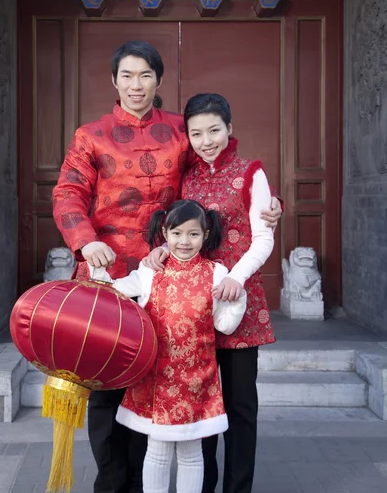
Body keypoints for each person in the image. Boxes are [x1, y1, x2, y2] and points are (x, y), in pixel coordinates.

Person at [52, 41, 282, 493]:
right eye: (127, 76)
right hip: (109, 278)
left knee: (150, 385)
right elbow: (67, 193)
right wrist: (86, 241)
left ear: (159, 81)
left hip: (174, 286)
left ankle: (145, 481)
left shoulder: (181, 130)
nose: (135, 85)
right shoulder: (90, 135)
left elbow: (226, 170)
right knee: (104, 392)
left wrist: (270, 201)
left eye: (145, 76)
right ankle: (113, 483)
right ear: (114, 80)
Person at [144, 93, 277, 493]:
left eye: (214, 130)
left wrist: (235, 278)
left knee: (239, 407)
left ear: (230, 129)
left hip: (237, 303)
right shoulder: (187, 175)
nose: (206, 140)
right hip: (190, 308)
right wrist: (162, 249)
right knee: (200, 405)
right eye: (197, 133)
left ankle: (237, 488)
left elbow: (263, 237)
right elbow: (180, 230)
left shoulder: (250, 172)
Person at [89, 200, 255, 493]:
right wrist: (99, 273)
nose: (184, 241)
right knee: (157, 449)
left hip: (196, 379)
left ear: (206, 234)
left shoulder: (216, 273)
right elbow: (116, 292)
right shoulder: (151, 271)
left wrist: (237, 295)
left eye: (193, 234)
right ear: (165, 233)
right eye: (177, 233)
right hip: (157, 378)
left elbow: (225, 325)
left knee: (192, 453)